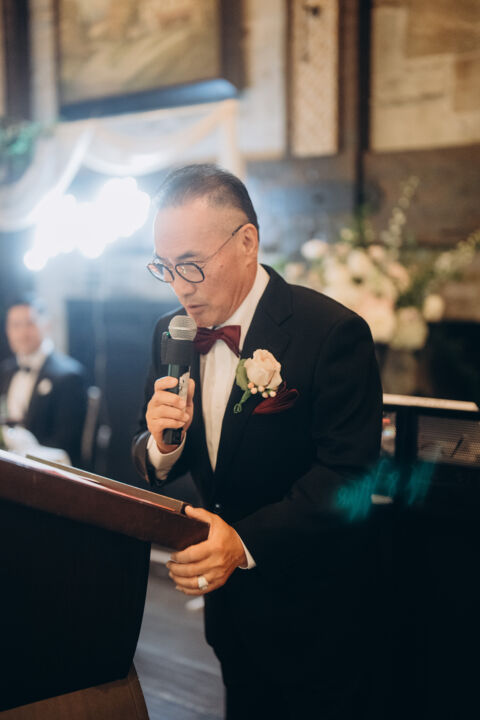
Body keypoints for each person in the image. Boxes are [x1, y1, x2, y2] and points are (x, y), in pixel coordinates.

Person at [132, 164, 383, 719]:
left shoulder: (331, 333)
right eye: (164, 267)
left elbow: (350, 475)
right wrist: (163, 445)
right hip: (231, 613)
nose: (179, 286)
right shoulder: (171, 331)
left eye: (192, 265)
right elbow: (155, 452)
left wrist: (243, 543)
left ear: (247, 242)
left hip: (316, 612)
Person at [0, 296, 87, 466]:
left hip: (42, 472)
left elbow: (66, 444)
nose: (22, 333)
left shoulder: (69, 376)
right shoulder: (5, 371)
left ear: (46, 324)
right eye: (15, 325)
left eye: (30, 324)